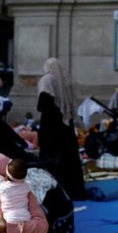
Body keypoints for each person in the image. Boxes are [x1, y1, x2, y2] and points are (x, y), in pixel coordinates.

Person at [36, 57, 87, 200]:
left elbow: (42, 104)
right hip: (66, 125)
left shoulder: (46, 80)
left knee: (52, 158)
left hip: (50, 125)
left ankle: (56, 192)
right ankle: (74, 191)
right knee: (69, 157)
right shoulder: (65, 80)